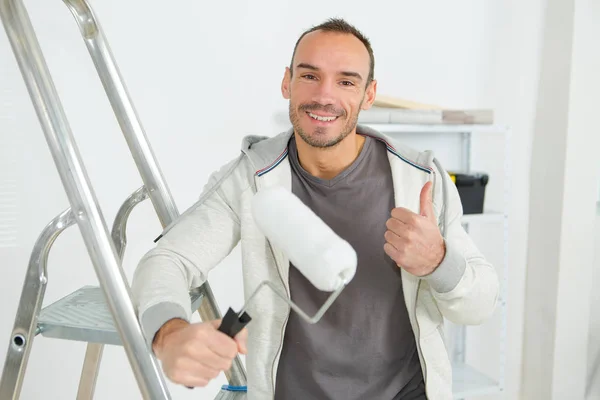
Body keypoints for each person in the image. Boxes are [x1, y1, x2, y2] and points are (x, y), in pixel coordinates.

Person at [131, 17, 499, 400]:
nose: (325, 96)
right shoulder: (251, 177)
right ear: (286, 82)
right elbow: (167, 259)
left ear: (368, 95)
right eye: (310, 76)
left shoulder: (419, 180)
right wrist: (169, 334)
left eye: (346, 81)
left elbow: (480, 304)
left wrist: (439, 262)